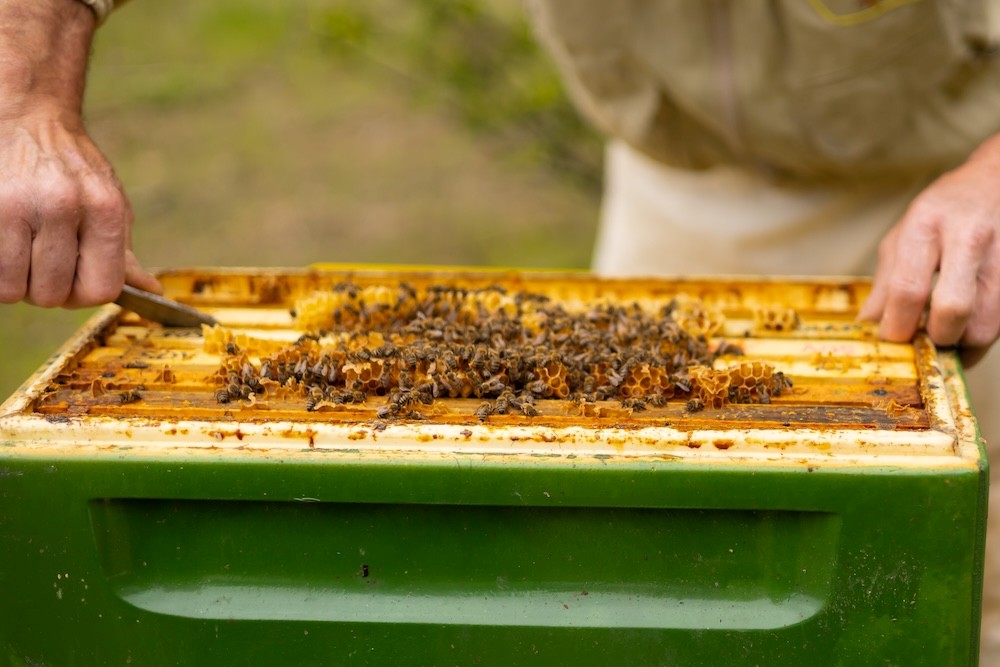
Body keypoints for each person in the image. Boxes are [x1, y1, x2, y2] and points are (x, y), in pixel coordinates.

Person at [2, 0, 998, 655]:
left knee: (940, 594)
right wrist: (24, 100)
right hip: (686, 180)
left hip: (964, 185)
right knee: (633, 594)